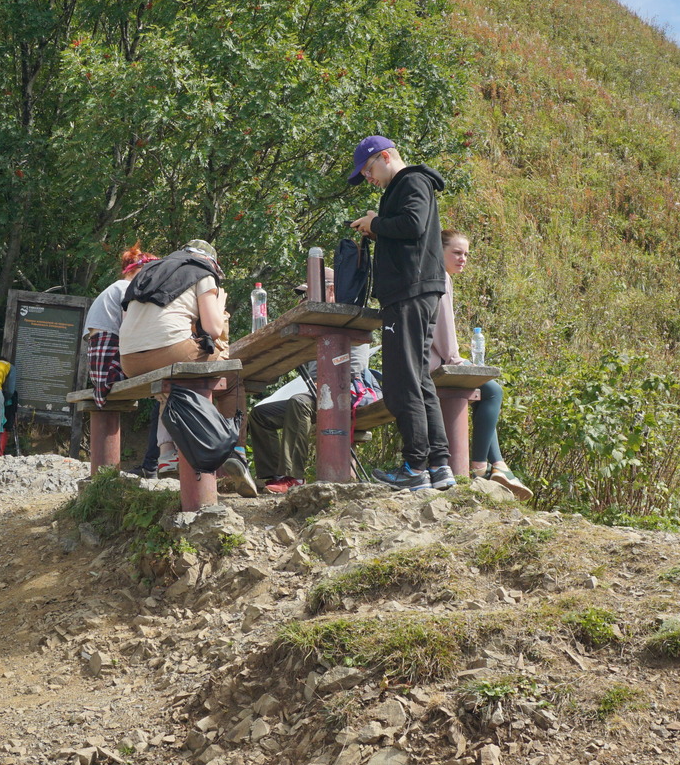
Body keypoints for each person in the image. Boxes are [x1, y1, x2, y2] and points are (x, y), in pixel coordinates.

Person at [348, 134, 452, 494]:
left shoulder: (411, 181)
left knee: (400, 382)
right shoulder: (410, 184)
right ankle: (438, 465)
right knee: (418, 379)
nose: (368, 178)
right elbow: (410, 231)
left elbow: (412, 224)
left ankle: (415, 466)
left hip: (409, 292)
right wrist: (378, 226)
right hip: (416, 290)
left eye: (368, 169)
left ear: (386, 156)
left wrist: (376, 223)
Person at [118, 240, 251, 490]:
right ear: (211, 262)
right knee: (231, 375)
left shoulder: (146, 272)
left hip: (129, 360)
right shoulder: (203, 272)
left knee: (171, 385)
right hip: (170, 351)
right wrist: (219, 306)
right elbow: (213, 328)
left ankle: (168, 455)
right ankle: (235, 452)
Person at [432, 230, 531, 498]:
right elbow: (441, 330)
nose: (463, 258)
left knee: (488, 390)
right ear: (439, 251)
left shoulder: (441, 276)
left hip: (432, 359)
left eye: (466, 254)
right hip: (433, 363)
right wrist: (457, 359)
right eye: (456, 252)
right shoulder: (439, 277)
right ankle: (480, 466)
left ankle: (498, 465)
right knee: (493, 390)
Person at [246, 349, 382, 495]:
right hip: (318, 390)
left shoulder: (350, 328)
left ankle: (294, 477)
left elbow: (357, 363)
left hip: (346, 391)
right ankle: (274, 476)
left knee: (299, 402)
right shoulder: (313, 333)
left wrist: (327, 378)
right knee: (260, 414)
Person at [83, 245, 157, 404]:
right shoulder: (127, 288)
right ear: (135, 270)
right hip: (109, 367)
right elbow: (130, 330)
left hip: (100, 367)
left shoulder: (115, 288)